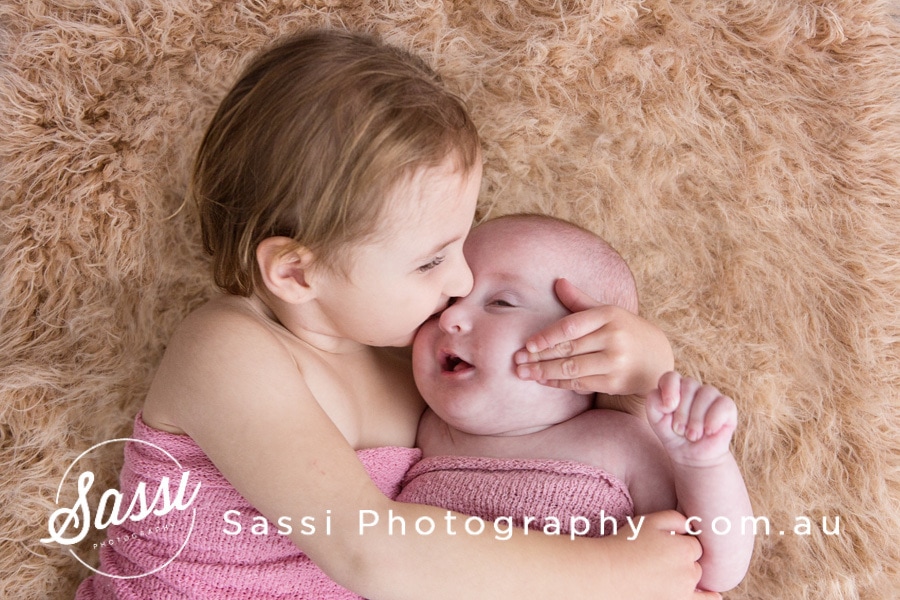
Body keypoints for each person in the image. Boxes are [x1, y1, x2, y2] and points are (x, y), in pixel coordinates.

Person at [75, 30, 718, 599]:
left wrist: (641, 374)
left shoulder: (412, 358)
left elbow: (542, 440)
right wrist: (606, 575)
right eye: (430, 262)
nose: (461, 282)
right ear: (298, 273)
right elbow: (371, 549)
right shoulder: (229, 351)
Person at [402, 214, 755, 593]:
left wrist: (703, 463)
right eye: (446, 302)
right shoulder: (414, 425)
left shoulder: (618, 443)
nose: (450, 317)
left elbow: (715, 569)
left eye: (501, 302)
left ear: (591, 348)